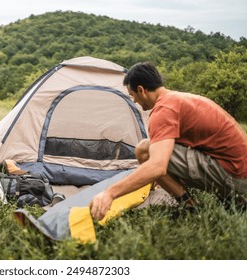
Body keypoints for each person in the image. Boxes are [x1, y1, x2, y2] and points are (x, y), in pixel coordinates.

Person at [91, 62, 247, 220]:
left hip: (235, 176)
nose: (135, 101)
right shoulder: (177, 99)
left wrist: (110, 193)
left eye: (133, 96)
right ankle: (234, 201)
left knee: (144, 151)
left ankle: (191, 206)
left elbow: (157, 166)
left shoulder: (164, 110)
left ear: (141, 90)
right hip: (238, 168)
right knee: (151, 148)